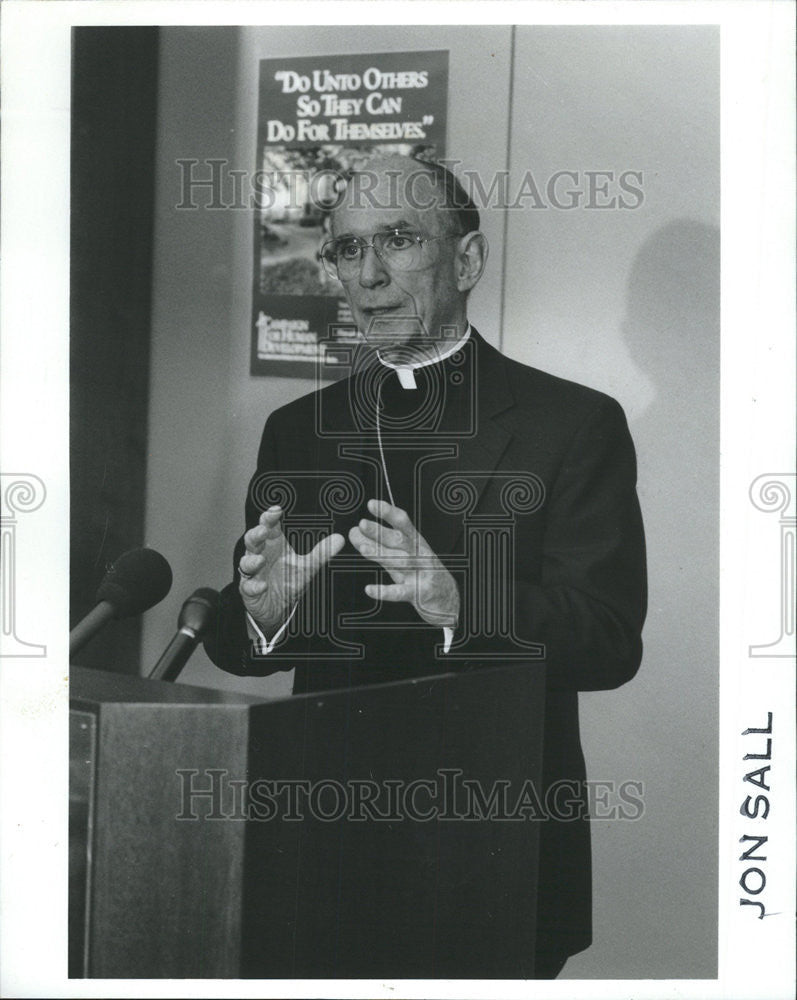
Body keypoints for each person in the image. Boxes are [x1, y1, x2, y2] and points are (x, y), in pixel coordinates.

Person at [205, 155, 647, 978]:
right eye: (346, 250)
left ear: (467, 261)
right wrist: (266, 611)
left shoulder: (572, 423)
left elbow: (610, 640)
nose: (368, 275)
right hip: (321, 845)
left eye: (399, 241)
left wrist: (458, 603)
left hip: (494, 850)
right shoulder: (299, 429)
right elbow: (241, 639)